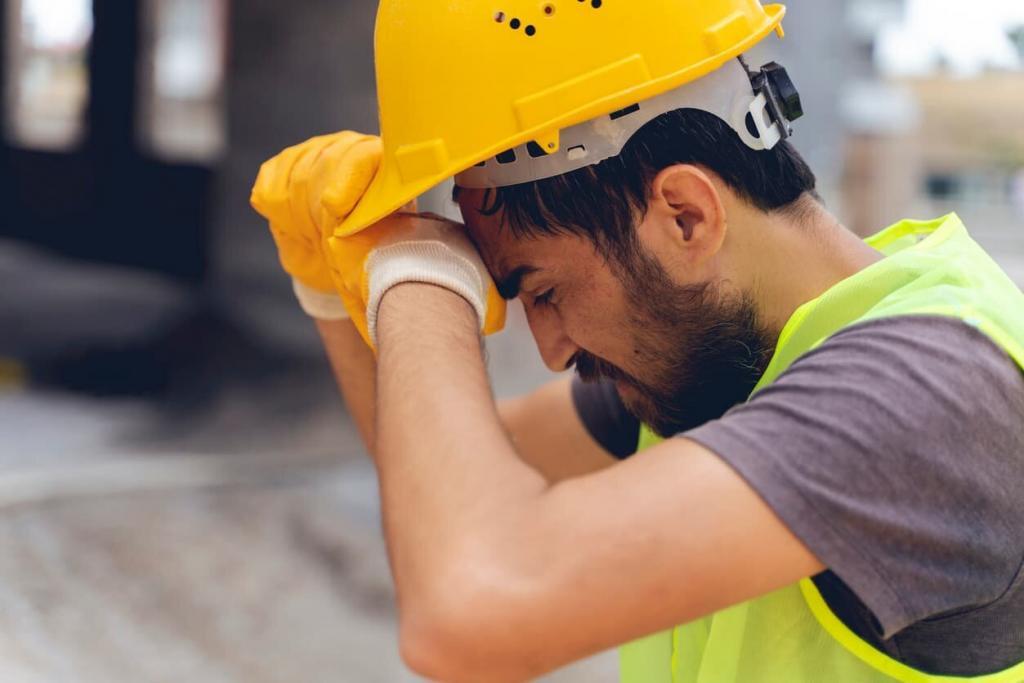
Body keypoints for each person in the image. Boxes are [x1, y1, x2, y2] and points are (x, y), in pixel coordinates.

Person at [251, 2, 1024, 681]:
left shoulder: (929, 391)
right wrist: (330, 284)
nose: (550, 349)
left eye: (543, 290)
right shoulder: (729, 364)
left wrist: (419, 271)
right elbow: (434, 501)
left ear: (685, 214)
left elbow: (470, 606)